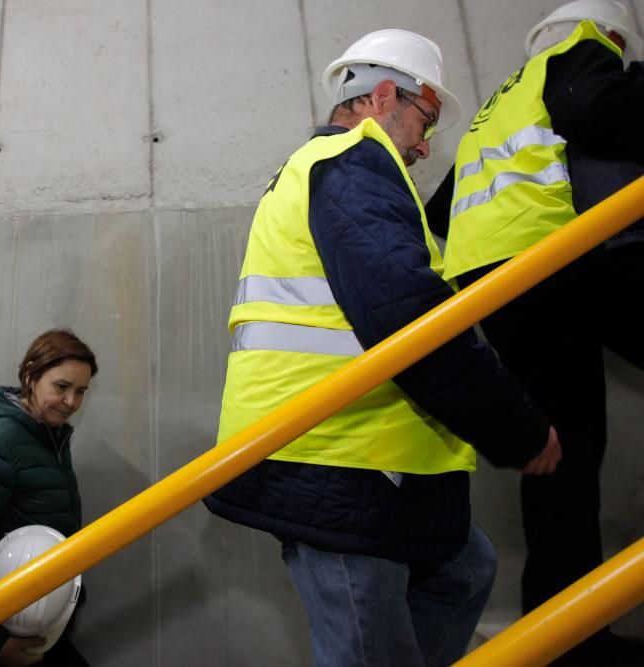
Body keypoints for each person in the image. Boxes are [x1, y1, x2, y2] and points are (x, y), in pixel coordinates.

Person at [204, 28, 561, 667]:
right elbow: (409, 318)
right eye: (424, 119)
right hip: (338, 459)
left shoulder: (322, 170)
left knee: (466, 570)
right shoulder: (355, 164)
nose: (425, 145)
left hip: (351, 454)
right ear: (385, 96)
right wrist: (520, 430)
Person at [429, 2, 644, 662]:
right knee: (569, 451)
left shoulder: (503, 100)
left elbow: (441, 208)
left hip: (498, 286)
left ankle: (569, 637)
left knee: (563, 453)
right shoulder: (581, 53)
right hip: (556, 260)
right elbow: (595, 111)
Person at [0, 329, 97, 667]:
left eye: (81, 391)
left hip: (34, 618)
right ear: (30, 374)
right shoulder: (3, 439)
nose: (71, 401)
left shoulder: (47, 434)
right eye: (61, 387)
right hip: (7, 629)